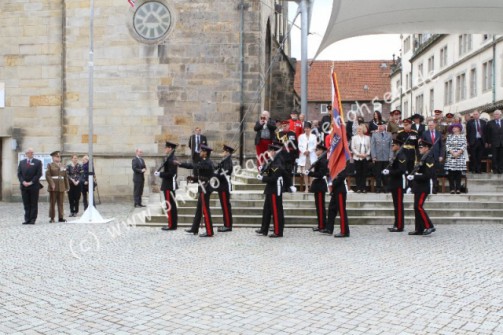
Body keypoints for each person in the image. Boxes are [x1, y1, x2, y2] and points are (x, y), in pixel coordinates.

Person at [178, 145, 216, 237]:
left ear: (205, 153)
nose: (199, 153)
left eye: (201, 151)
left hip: (205, 189)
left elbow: (193, 166)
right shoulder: (205, 161)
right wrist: (194, 179)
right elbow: (204, 177)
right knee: (199, 210)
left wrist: (180, 164)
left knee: (205, 210)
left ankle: (209, 231)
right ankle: (194, 228)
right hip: (203, 187)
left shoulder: (207, 162)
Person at [407, 140, 436, 236]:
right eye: (419, 147)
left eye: (421, 147)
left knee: (419, 206)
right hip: (417, 186)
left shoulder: (429, 159)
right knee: (416, 207)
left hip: (423, 187)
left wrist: (415, 177)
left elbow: (428, 175)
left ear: (427, 148)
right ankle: (419, 229)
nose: (419, 149)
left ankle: (429, 226)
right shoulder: (421, 157)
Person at [256, 144, 285, 238]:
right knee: (267, 210)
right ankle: (264, 229)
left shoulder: (277, 161)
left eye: (269, 151)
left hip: (275, 188)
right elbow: (270, 172)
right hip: (270, 188)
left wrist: (262, 178)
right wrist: (263, 170)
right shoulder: (272, 161)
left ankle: (278, 231)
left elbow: (274, 177)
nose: (268, 153)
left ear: (273, 151)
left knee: (276, 211)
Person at [321, 161, 352, 238]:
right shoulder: (334, 165)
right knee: (331, 209)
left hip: (340, 190)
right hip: (335, 190)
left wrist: (332, 184)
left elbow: (341, 176)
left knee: (341, 211)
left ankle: (344, 231)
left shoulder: (342, 165)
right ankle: (329, 228)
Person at [382, 139, 407, 232]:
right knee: (396, 205)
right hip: (394, 183)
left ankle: (400, 225)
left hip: (398, 183)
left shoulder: (401, 156)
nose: (392, 146)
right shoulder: (396, 155)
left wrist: (390, 172)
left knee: (399, 205)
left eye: (394, 145)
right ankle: (396, 224)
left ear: (398, 146)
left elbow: (401, 170)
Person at [155, 142, 178, 231]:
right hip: (169, 185)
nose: (165, 149)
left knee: (170, 205)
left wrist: (160, 174)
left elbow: (171, 174)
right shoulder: (170, 158)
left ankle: (171, 225)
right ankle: (173, 224)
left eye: (166, 148)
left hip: (169, 185)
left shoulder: (171, 159)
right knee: (171, 205)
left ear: (170, 148)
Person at [17, 148, 43, 225]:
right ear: (26, 154)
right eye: (28, 153)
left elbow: (39, 174)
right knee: (26, 203)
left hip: (33, 186)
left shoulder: (37, 162)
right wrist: (23, 181)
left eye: (31, 152)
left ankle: (32, 219)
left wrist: (31, 182)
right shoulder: (22, 162)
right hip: (24, 186)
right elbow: (19, 174)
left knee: (33, 203)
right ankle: (27, 219)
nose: (30, 154)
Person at [307, 144, 328, 232]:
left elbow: (321, 174)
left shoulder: (323, 161)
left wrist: (310, 173)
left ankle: (322, 225)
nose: (316, 151)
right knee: (318, 206)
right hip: (317, 184)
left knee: (320, 206)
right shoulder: (319, 160)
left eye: (317, 150)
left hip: (320, 185)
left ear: (322, 151)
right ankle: (320, 224)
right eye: (316, 150)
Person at [214, 145, 235, 232]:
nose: (222, 153)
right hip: (222, 186)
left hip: (224, 186)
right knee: (225, 206)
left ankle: (227, 225)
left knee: (225, 206)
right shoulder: (225, 161)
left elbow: (224, 174)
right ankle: (227, 224)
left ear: (227, 152)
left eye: (223, 151)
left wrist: (214, 175)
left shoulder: (227, 162)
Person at [46, 151, 70, 223]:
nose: (59, 158)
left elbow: (65, 176)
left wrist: (67, 186)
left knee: (61, 203)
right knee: (52, 203)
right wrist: (52, 184)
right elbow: (48, 175)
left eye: (59, 156)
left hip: (61, 186)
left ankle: (61, 217)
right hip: (54, 186)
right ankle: (52, 217)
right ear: (53, 158)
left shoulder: (63, 165)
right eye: (57, 156)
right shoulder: (50, 165)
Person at [422, 119, 444, 193]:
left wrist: (441, 155)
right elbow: (422, 145)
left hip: (436, 156)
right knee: (428, 173)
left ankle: (434, 188)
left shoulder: (439, 134)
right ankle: (427, 188)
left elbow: (441, 146)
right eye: (429, 125)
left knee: (435, 173)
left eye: (431, 125)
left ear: (435, 125)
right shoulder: (425, 133)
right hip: (428, 156)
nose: (430, 126)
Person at [370, 121, 393, 193]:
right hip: (378, 157)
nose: (380, 127)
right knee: (378, 174)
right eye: (379, 126)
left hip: (386, 157)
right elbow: (372, 146)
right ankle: (378, 188)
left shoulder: (389, 135)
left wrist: (390, 156)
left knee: (386, 173)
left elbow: (391, 147)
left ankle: (386, 188)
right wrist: (373, 156)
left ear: (385, 126)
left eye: (381, 126)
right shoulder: (375, 134)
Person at [445, 123, 467, 194]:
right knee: (451, 173)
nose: (453, 128)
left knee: (458, 173)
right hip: (451, 157)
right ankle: (452, 188)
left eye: (455, 127)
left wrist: (458, 153)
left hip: (459, 157)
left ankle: (458, 188)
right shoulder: (449, 136)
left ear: (459, 129)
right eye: (453, 127)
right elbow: (447, 145)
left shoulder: (463, 136)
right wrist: (453, 153)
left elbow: (464, 145)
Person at [276, 120, 298, 192]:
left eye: (286, 126)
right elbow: (276, 145)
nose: (285, 127)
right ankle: (283, 187)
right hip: (281, 156)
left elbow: (296, 145)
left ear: (288, 126)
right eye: (283, 126)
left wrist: (296, 156)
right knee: (281, 172)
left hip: (290, 156)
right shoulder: (279, 134)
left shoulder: (293, 134)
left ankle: (289, 187)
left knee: (289, 172)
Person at [297, 123, 318, 192]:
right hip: (304, 155)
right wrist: (304, 151)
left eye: (308, 128)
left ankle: (311, 186)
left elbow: (315, 145)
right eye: (305, 128)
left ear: (310, 129)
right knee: (305, 173)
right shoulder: (301, 136)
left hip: (311, 155)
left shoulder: (314, 136)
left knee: (311, 172)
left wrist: (309, 151)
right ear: (304, 129)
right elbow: (299, 146)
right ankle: (306, 187)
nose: (307, 129)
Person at [351, 124, 371, 193]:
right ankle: (359, 188)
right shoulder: (354, 138)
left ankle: (364, 188)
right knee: (358, 173)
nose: (358, 130)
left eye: (360, 129)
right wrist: (359, 154)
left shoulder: (367, 138)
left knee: (364, 173)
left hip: (365, 158)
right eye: (358, 129)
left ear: (363, 130)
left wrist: (366, 154)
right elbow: (353, 148)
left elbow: (370, 148)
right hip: (357, 158)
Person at [484, 109, 503, 174]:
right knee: (494, 157)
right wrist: (488, 142)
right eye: (494, 114)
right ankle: (495, 169)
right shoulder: (490, 123)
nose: (495, 115)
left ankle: (500, 169)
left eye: (497, 114)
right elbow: (487, 133)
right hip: (494, 142)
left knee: (501, 157)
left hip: (502, 143)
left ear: (500, 115)